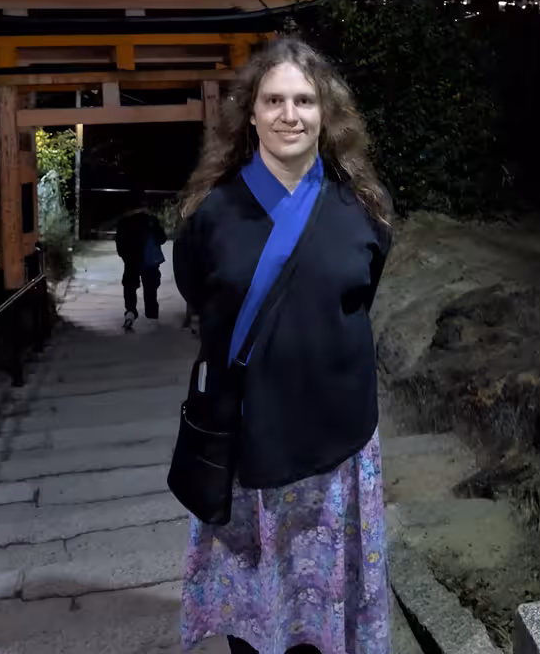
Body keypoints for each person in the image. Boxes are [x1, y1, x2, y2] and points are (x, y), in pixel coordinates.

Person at [173, 38, 393, 654]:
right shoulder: (212, 213)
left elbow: (360, 294)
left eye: (304, 100)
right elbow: (197, 290)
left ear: (327, 114)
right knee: (259, 619)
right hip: (249, 444)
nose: (289, 114)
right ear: (250, 112)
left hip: (338, 441)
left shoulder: (362, 209)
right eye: (274, 100)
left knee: (326, 616)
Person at [114, 201, 167, 330]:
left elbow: (119, 243)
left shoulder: (124, 222)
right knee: (150, 289)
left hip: (131, 260)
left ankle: (130, 313)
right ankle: (152, 317)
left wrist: (125, 256)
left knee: (130, 286)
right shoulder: (151, 220)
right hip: (149, 261)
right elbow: (162, 238)